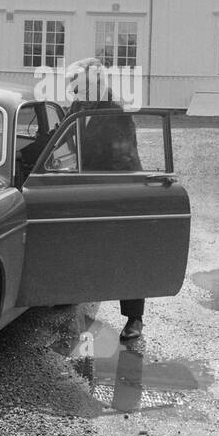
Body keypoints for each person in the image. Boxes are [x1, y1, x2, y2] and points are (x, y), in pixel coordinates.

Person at [65, 57, 147, 341]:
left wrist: (109, 189)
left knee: (126, 251)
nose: (75, 93)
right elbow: (63, 137)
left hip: (117, 188)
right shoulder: (78, 107)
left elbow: (124, 157)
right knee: (84, 244)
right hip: (86, 186)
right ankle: (76, 296)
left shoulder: (115, 112)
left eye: (79, 86)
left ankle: (134, 318)